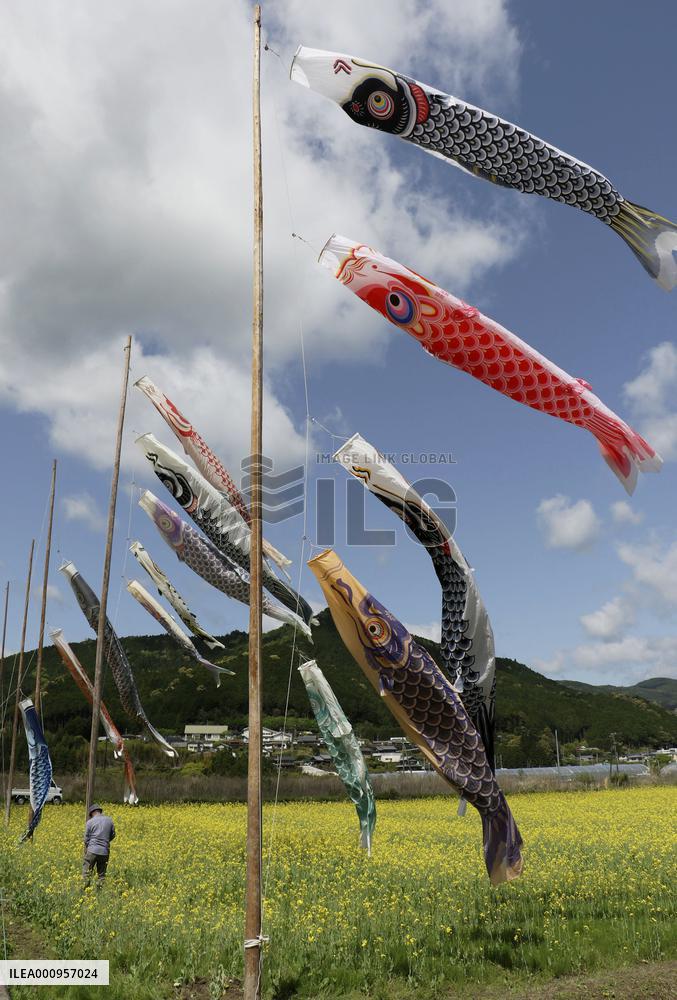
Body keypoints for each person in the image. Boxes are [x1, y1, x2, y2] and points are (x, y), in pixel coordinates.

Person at [82, 803, 115, 887]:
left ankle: (86, 891)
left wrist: (89, 847)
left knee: (86, 873)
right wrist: (105, 842)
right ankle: (100, 891)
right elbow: (113, 835)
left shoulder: (90, 822)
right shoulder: (109, 820)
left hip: (92, 850)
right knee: (101, 875)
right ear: (100, 811)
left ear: (92, 813)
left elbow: (86, 839)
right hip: (104, 851)